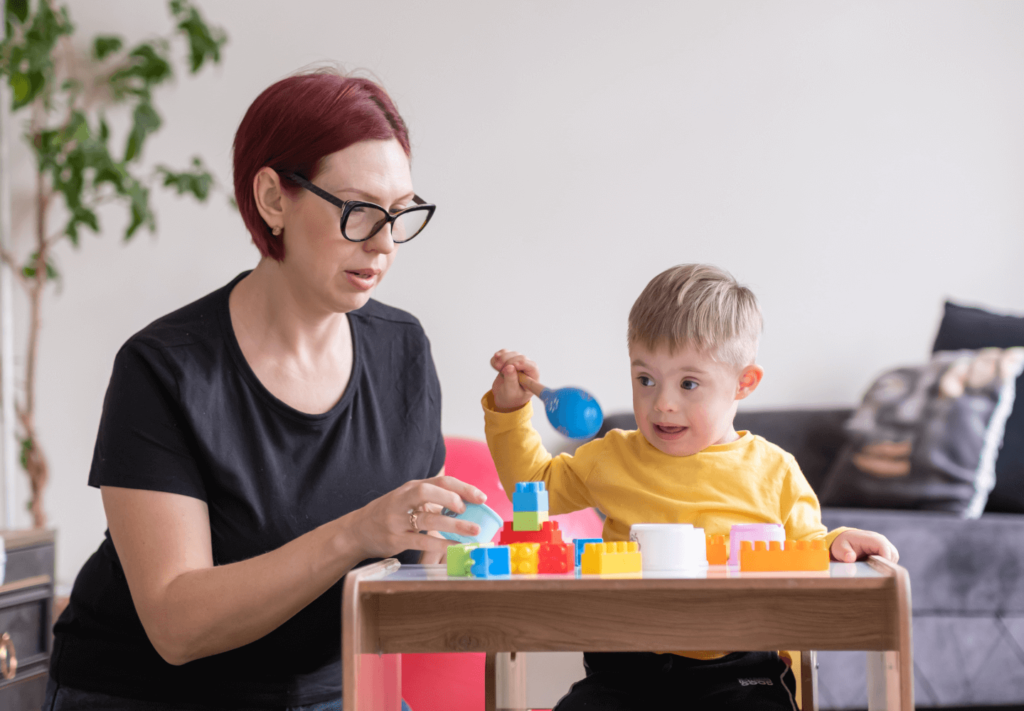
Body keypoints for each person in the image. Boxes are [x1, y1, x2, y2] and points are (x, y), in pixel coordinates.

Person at [44, 69, 486, 711]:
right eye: (360, 212)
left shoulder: (402, 349)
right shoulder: (163, 369)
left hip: (333, 694)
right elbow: (177, 625)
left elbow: (414, 559)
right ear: (273, 199)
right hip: (150, 695)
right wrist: (358, 532)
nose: (386, 243)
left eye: (399, 214)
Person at [484, 263, 899, 711]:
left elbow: (807, 548)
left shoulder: (773, 470)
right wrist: (510, 413)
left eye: (688, 383)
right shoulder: (613, 455)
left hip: (739, 669)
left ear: (744, 383)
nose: (663, 403)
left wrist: (838, 544)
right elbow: (534, 485)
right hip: (625, 669)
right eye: (645, 379)